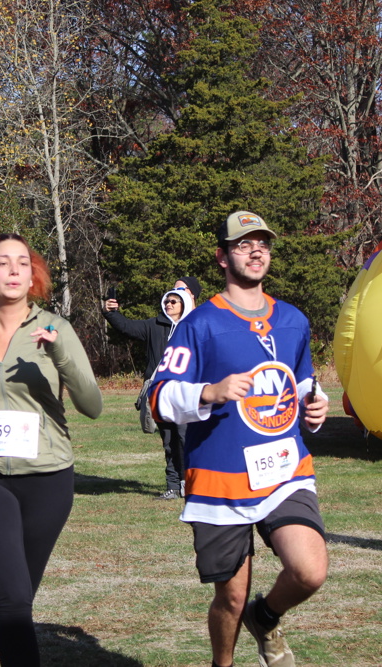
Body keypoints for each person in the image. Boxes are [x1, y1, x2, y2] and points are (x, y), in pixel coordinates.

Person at [148, 211, 330, 667]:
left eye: (262, 244)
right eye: (243, 244)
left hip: (285, 470)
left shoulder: (293, 320)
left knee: (309, 571)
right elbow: (158, 398)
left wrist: (316, 407)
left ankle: (265, 616)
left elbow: (302, 383)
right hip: (220, 479)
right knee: (230, 598)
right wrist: (209, 392)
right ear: (222, 256)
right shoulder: (199, 324)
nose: (255, 251)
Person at [0, 233, 103, 667]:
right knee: (14, 599)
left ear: (32, 277)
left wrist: (60, 353)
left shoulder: (56, 329)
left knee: (19, 593)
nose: (13, 269)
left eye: (22, 262)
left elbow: (92, 406)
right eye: (2, 262)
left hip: (49, 477)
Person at [102, 278, 201, 500]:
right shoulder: (154, 325)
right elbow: (126, 327)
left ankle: (190, 483)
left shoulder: (196, 325)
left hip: (186, 392)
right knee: (168, 440)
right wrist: (111, 313)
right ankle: (173, 486)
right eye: (167, 300)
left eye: (174, 300)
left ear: (188, 298)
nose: (169, 304)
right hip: (160, 393)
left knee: (185, 438)